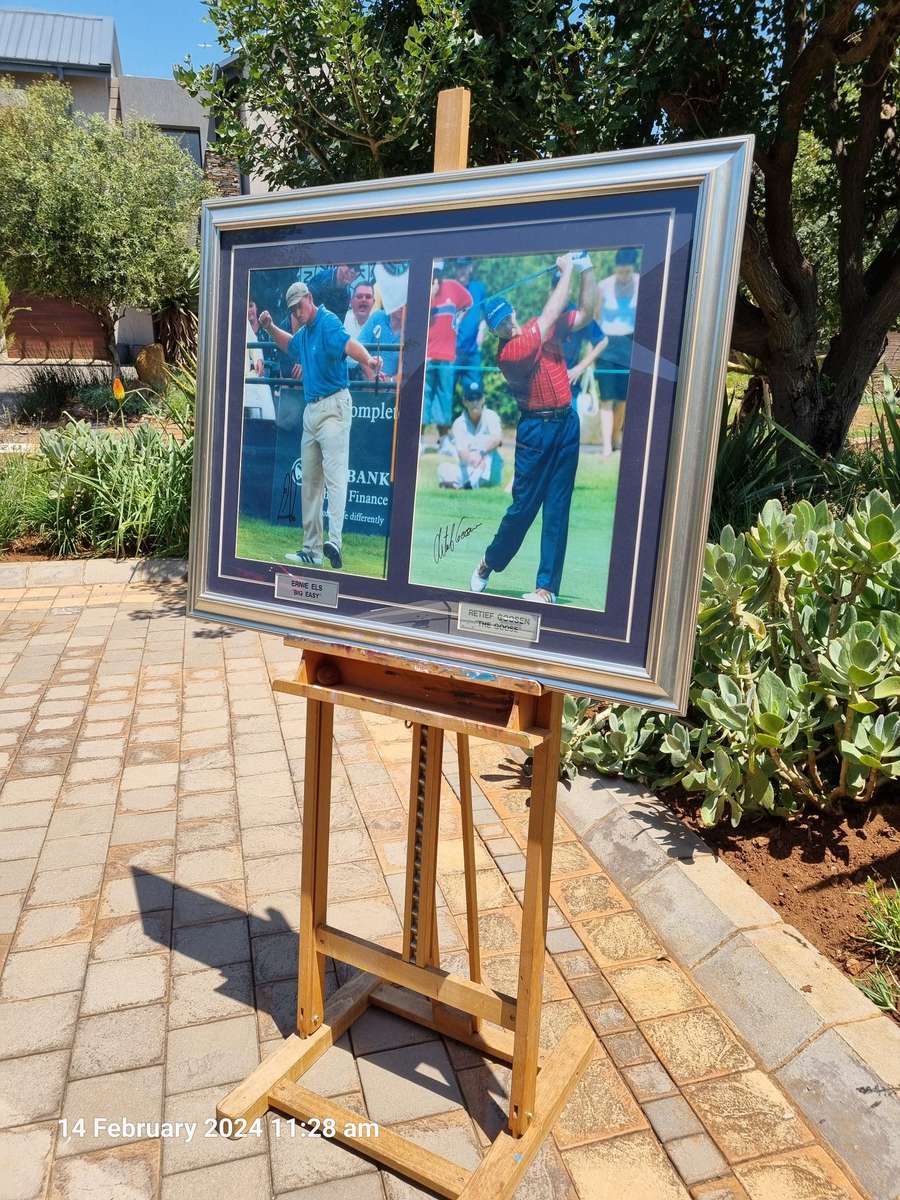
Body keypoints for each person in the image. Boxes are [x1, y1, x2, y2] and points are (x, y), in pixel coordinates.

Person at [470, 251, 595, 603]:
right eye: (498, 325)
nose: (505, 326)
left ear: (512, 312)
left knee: (557, 507)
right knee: (523, 509)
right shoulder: (511, 352)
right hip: (535, 433)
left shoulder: (536, 329)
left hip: (566, 426)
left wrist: (587, 269)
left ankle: (546, 589)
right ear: (494, 331)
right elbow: (551, 311)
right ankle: (488, 563)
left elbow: (587, 313)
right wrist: (567, 269)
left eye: (505, 318)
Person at [258, 281, 382, 570]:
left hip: (334, 406)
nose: (296, 312)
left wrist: (368, 360)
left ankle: (334, 541)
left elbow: (349, 344)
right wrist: (268, 327)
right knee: (311, 483)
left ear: (309, 299)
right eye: (292, 310)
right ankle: (312, 551)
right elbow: (289, 344)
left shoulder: (326, 322)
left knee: (336, 477)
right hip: (312, 410)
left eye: (299, 306)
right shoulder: (306, 332)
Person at [423, 260, 471, 455]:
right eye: (433, 272)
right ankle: (418, 441)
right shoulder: (423, 291)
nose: (436, 276)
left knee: (444, 397)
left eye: (438, 272)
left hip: (447, 355)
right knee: (424, 398)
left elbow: (468, 303)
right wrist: (431, 296)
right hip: (426, 356)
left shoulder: (452, 286)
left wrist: (458, 319)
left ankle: (443, 441)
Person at [595, 247, 639, 451]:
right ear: (615, 269)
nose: (623, 276)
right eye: (620, 272)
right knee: (606, 397)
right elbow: (596, 319)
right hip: (606, 345)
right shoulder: (603, 287)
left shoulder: (641, 283)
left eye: (627, 272)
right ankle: (605, 445)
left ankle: (615, 436)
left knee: (623, 398)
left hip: (629, 344)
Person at [437, 380, 503, 489]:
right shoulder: (458, 423)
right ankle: (468, 483)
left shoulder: (492, 416)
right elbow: (462, 452)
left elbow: (497, 439)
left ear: (483, 399)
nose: (474, 402)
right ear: (465, 401)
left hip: (490, 471)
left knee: (488, 453)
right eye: (471, 399)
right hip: (470, 467)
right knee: (442, 468)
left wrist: (480, 453)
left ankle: (464, 484)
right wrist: (473, 459)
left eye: (477, 398)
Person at [452, 258, 487, 400]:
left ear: (470, 268)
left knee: (475, 395)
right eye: (459, 267)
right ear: (455, 269)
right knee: (446, 398)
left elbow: (486, 316)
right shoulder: (449, 290)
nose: (462, 270)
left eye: (465, 266)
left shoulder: (479, 288)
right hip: (451, 355)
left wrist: (481, 332)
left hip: (472, 353)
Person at [244, 300, 275, 420]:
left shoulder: (245, 322)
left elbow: (254, 344)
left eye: (251, 306)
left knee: (262, 387)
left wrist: (259, 360)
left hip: (247, 375)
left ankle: (267, 422)